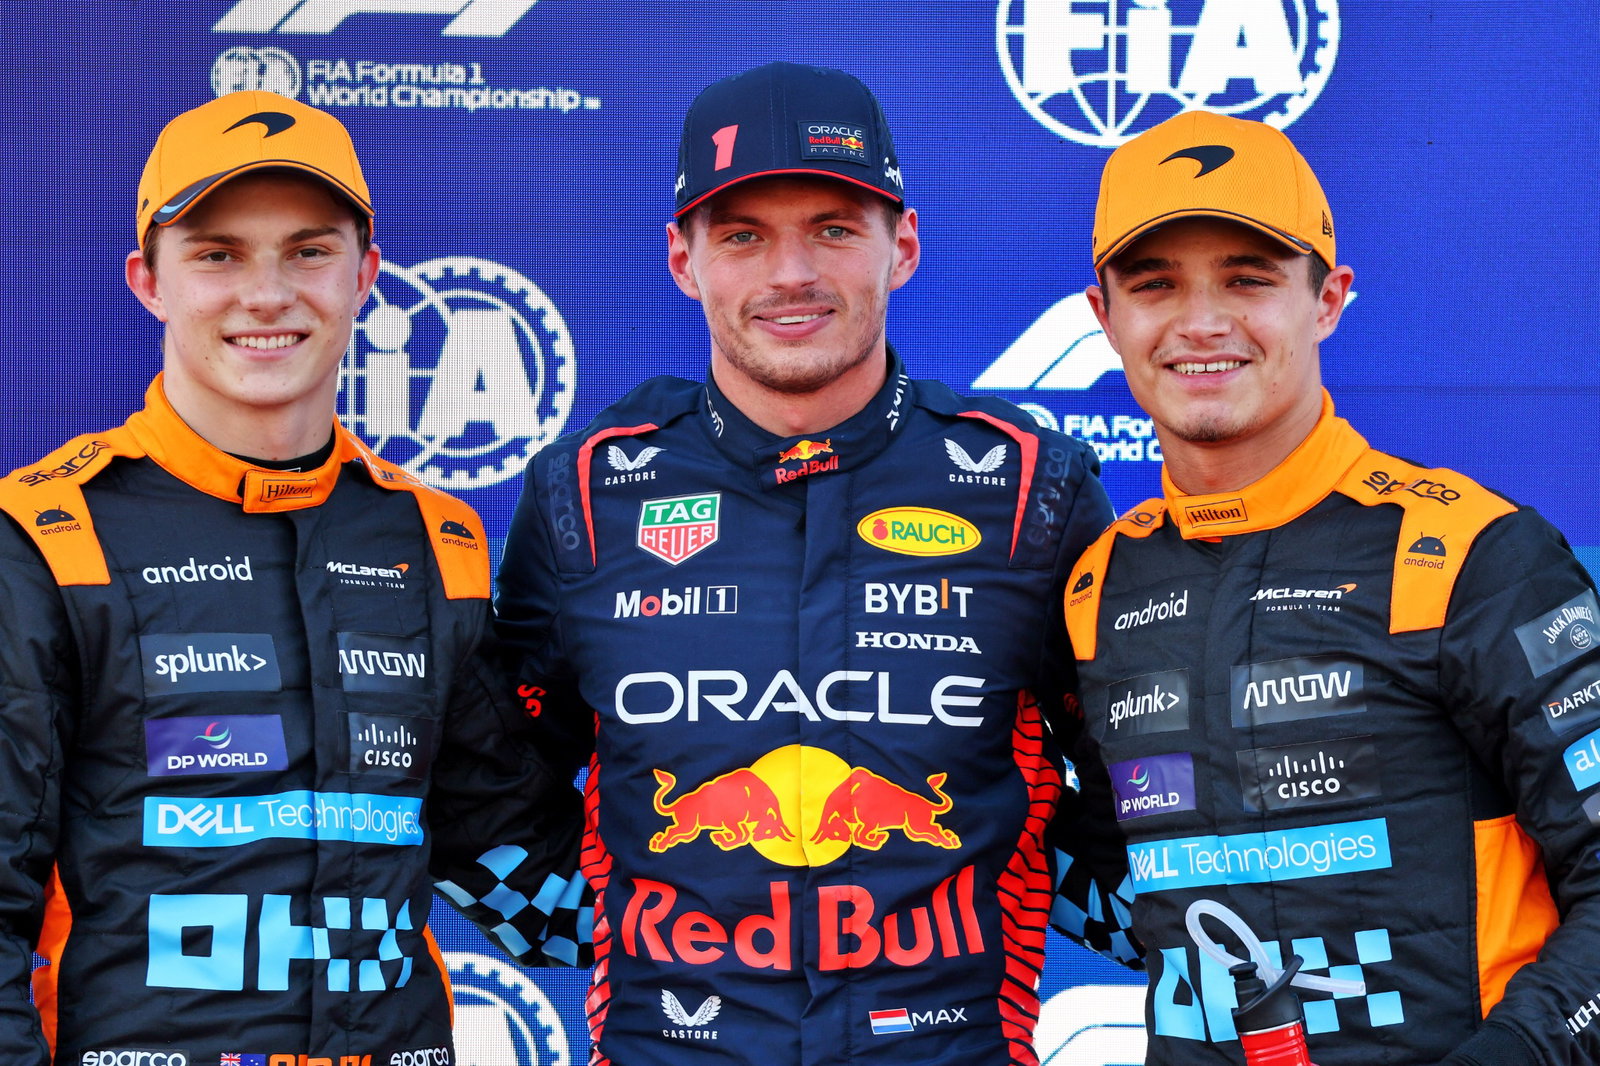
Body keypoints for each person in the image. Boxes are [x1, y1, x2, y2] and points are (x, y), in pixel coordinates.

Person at [495, 61, 1117, 1066]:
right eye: (742, 235)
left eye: (833, 227)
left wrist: (1042, 905)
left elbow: (1145, 773)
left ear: (900, 246)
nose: (789, 274)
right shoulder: (586, 493)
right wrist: (638, 934)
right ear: (683, 259)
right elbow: (490, 774)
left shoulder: (1031, 487)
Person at [0, 91, 588, 1065]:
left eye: (309, 251)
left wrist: (756, 890)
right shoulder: (46, 535)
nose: (267, 294)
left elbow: (508, 867)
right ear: (149, 280)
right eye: (217, 254)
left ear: (368, 274)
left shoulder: (434, 539)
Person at [1063, 109, 1600, 1065]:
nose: (1201, 322)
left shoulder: (1468, 552)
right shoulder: (1100, 584)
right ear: (1105, 317)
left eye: (1249, 279)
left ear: (1329, 300)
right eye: (1155, 285)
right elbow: (1115, 882)